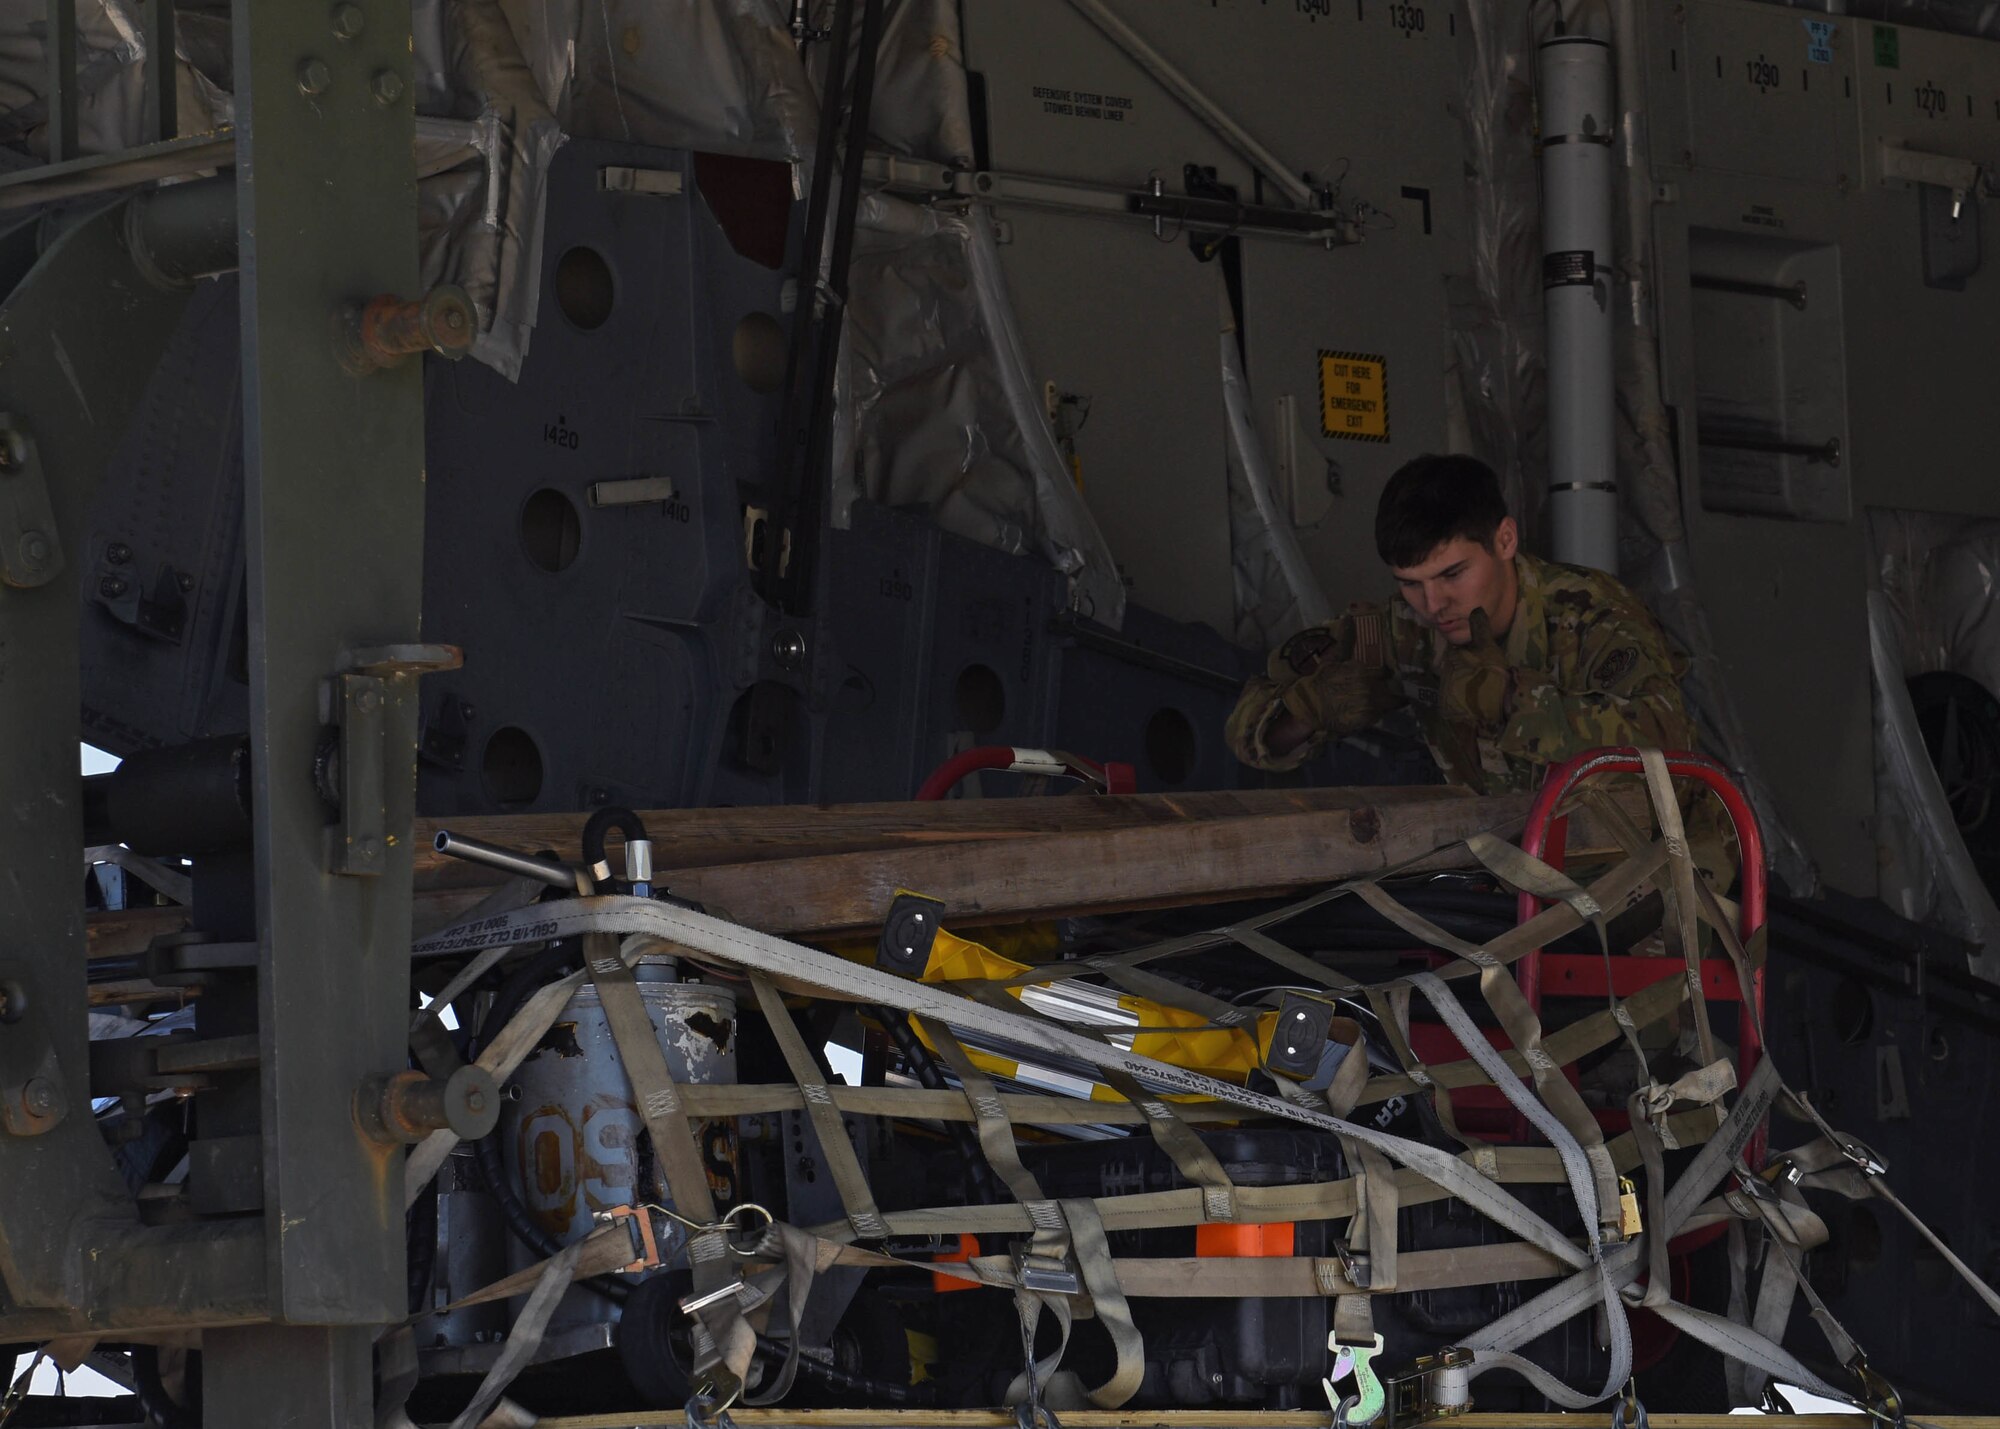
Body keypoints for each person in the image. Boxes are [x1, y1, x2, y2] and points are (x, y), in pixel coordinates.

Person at [1226, 452, 1707, 813]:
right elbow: (1248, 726)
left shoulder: (1591, 615)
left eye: (1453, 575)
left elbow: (1668, 753)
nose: (1434, 605)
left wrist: (1511, 702)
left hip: (1651, 882)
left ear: (1504, 540)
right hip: (1516, 877)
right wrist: (1307, 712)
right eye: (1410, 584)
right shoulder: (1403, 628)